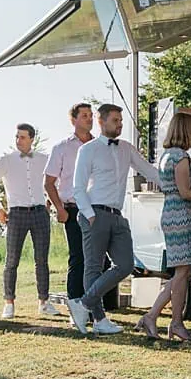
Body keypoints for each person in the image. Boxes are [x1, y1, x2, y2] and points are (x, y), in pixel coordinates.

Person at [69, 103, 160, 336]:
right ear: (102, 122)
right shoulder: (88, 150)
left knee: (126, 264)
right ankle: (99, 320)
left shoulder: (126, 148)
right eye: (115, 121)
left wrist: (180, 185)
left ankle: (83, 304)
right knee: (94, 267)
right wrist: (89, 216)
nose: (120, 125)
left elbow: (150, 171)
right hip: (95, 213)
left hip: (118, 216)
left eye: (121, 121)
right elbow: (78, 188)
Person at [135, 110, 191, 341]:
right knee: (182, 272)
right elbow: (185, 193)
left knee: (182, 272)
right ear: (186, 131)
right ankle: (168, 321)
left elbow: (177, 188)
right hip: (181, 217)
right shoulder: (181, 157)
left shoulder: (167, 155)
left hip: (172, 214)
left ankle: (160, 319)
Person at [44, 103, 116, 326]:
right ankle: (76, 311)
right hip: (74, 210)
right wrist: (60, 209)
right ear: (73, 120)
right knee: (79, 259)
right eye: (84, 116)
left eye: (90, 116)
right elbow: (49, 182)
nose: (89, 119)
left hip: (100, 209)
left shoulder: (101, 145)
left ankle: (95, 310)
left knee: (102, 262)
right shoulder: (62, 148)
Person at [0, 123, 65, 320]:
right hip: (16, 214)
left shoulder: (44, 160)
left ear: (32, 139)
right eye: (16, 136)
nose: (18, 140)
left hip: (40, 213)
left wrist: (49, 202)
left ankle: (44, 303)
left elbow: (58, 181)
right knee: (11, 261)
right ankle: (9, 303)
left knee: (42, 260)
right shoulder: (7, 160)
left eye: (22, 137)